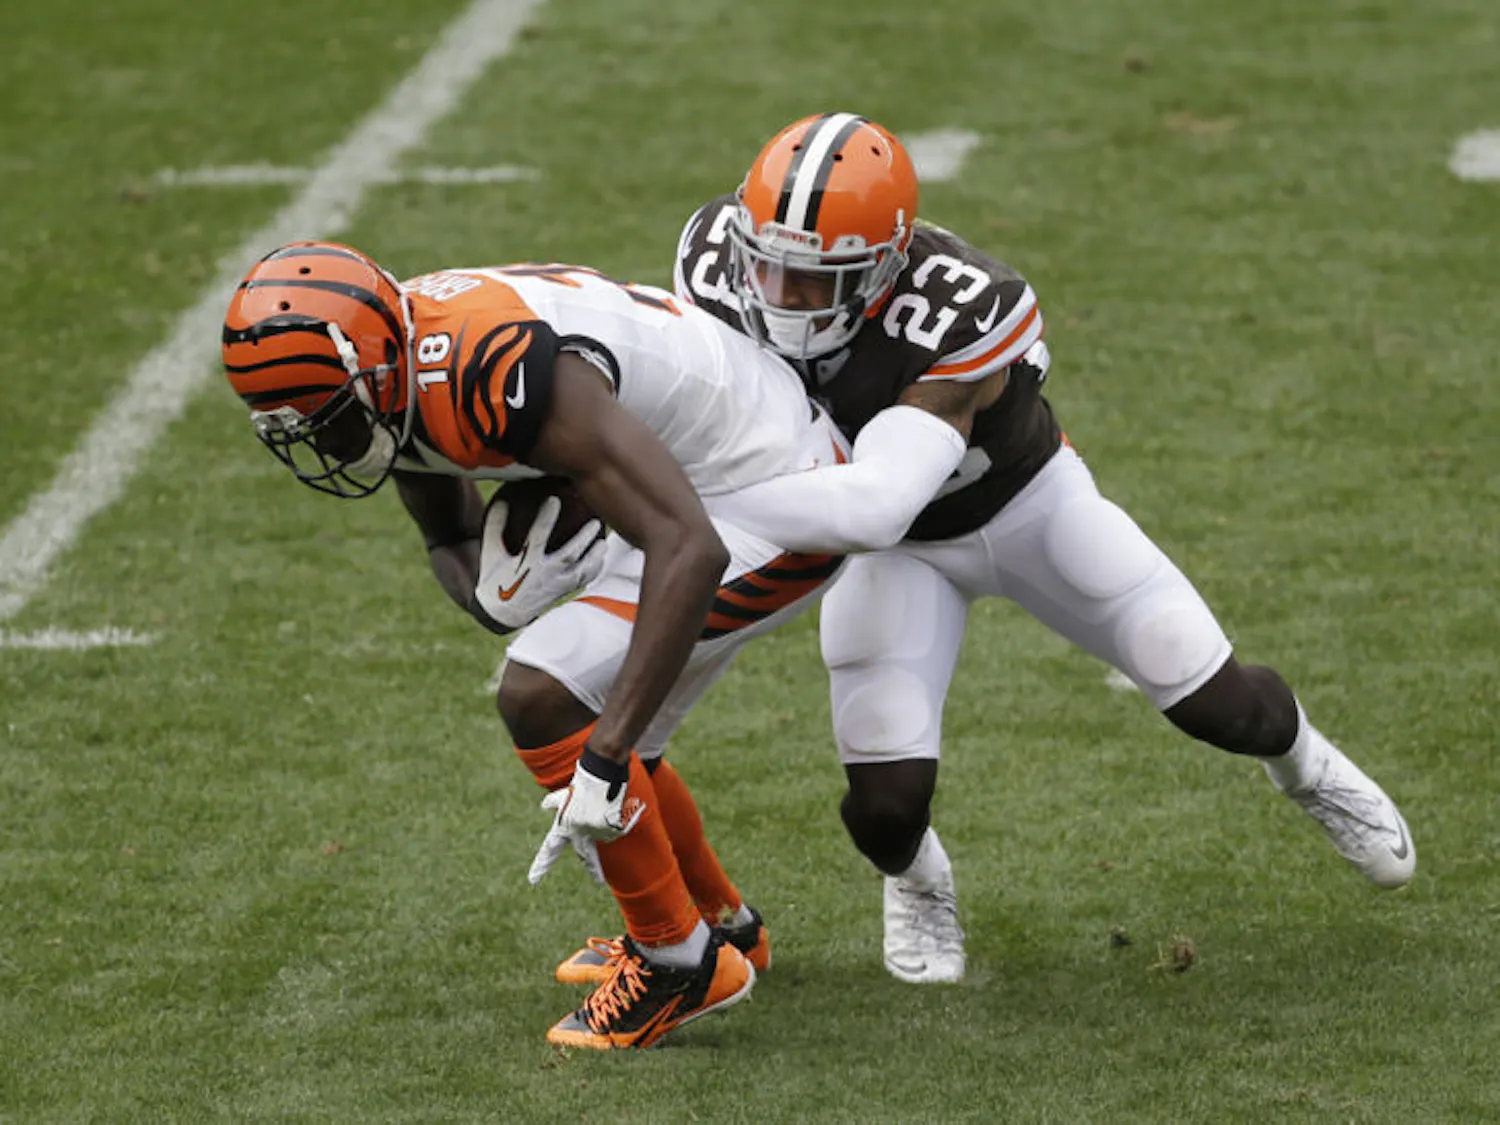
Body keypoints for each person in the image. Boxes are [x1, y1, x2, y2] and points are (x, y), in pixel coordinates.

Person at [668, 112, 1417, 985]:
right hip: (897, 552)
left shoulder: (960, 312)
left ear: (884, 267)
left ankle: (1304, 763)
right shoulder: (715, 264)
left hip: (1024, 507)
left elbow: (880, 497)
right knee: (885, 807)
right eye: (770, 265)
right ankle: (919, 882)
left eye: (817, 278)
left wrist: (711, 497)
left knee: (1220, 704)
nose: (785, 295)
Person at [220, 242, 858, 1048]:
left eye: (329, 416)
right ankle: (722, 927)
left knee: (543, 692)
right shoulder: (394, 366)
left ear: (372, 371)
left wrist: (606, 755)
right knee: (594, 715)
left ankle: (678, 962)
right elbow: (450, 537)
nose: (325, 443)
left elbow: (691, 549)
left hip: (778, 488)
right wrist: (496, 598)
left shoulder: (488, 369)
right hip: (697, 481)